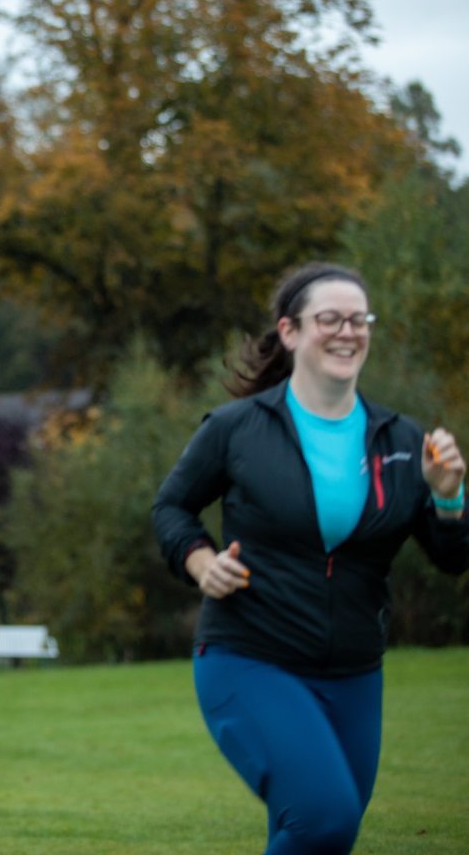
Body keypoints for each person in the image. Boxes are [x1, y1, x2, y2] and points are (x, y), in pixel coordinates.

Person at [152, 262, 469, 854]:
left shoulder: (402, 441)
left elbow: (452, 558)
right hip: (249, 658)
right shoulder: (237, 429)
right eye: (330, 318)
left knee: (322, 831)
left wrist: (448, 495)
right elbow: (171, 509)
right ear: (291, 331)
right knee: (323, 818)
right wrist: (201, 562)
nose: (347, 331)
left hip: (355, 672)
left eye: (359, 319)